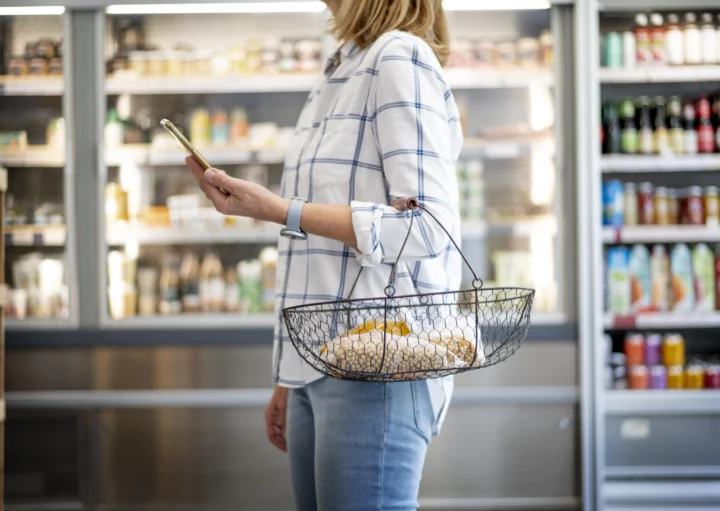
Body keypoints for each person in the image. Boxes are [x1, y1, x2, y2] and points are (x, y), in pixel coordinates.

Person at [185, 0, 462, 508]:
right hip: (317, 362)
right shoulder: (341, 67)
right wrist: (288, 376)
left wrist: (282, 210)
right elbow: (312, 260)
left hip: (380, 363)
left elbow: (428, 227)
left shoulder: (399, 58)